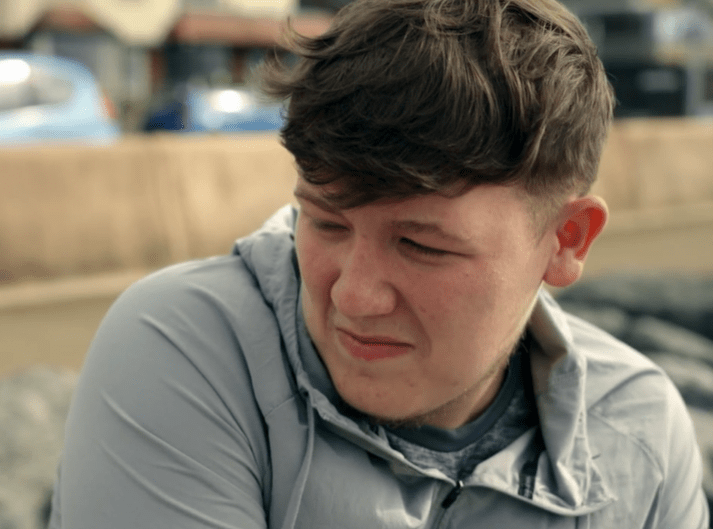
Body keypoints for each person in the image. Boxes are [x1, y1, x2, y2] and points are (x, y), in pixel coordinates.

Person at [49, 0, 709, 527]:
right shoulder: (189, 348)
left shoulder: (637, 434)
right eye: (326, 221)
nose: (354, 296)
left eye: (422, 246)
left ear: (566, 239)